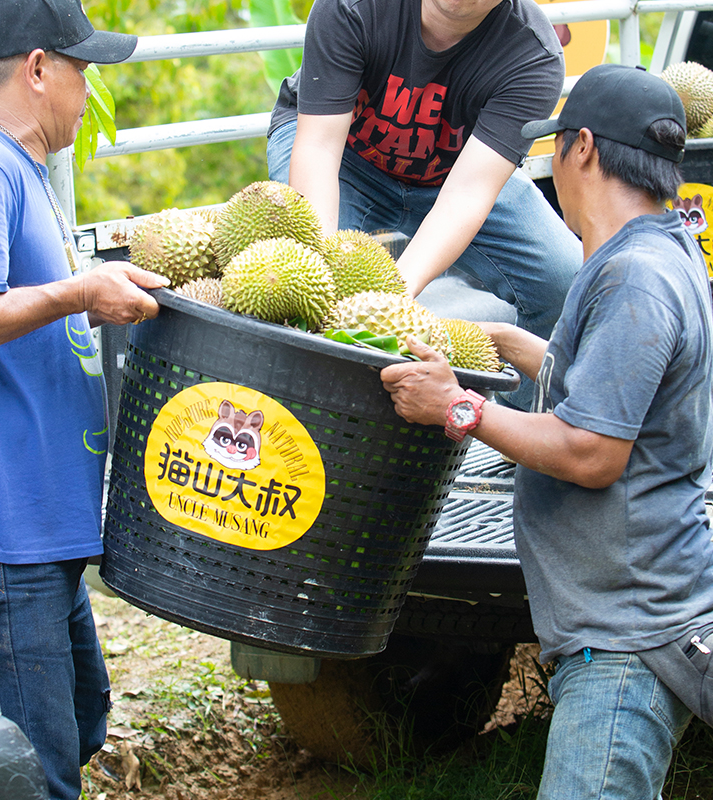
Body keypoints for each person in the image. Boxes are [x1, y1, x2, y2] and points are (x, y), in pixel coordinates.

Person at [380, 63, 713, 799]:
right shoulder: (662, 252)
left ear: (583, 149)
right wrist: (501, 340)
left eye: (552, 147)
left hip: (625, 638)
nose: (549, 166)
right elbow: (611, 382)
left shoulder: (636, 279)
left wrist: (460, 409)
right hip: (630, 615)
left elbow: (592, 452)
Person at [0, 1, 169, 798]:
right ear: (36, 69)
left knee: (82, 722)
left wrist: (89, 299)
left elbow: (17, 307)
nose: (89, 91)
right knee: (29, 776)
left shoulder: (17, 174)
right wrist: (73, 293)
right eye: (82, 68)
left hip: (36, 535)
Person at [267, 0, 583, 410]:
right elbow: (319, 146)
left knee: (563, 275)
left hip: (454, 174)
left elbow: (468, 194)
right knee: (303, 281)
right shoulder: (352, 7)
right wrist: (328, 272)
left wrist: (390, 298)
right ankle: (299, 415)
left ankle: (523, 426)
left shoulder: (532, 56)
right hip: (344, 157)